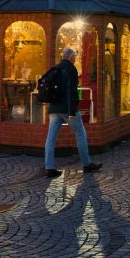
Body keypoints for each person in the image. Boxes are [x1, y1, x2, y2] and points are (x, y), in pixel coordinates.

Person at [44, 48, 102, 178]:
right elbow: (72, 91)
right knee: (80, 133)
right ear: (70, 58)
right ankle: (87, 164)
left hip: (54, 109)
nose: (75, 59)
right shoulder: (71, 69)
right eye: (74, 57)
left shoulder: (56, 68)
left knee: (51, 138)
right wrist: (71, 111)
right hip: (67, 108)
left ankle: (49, 167)